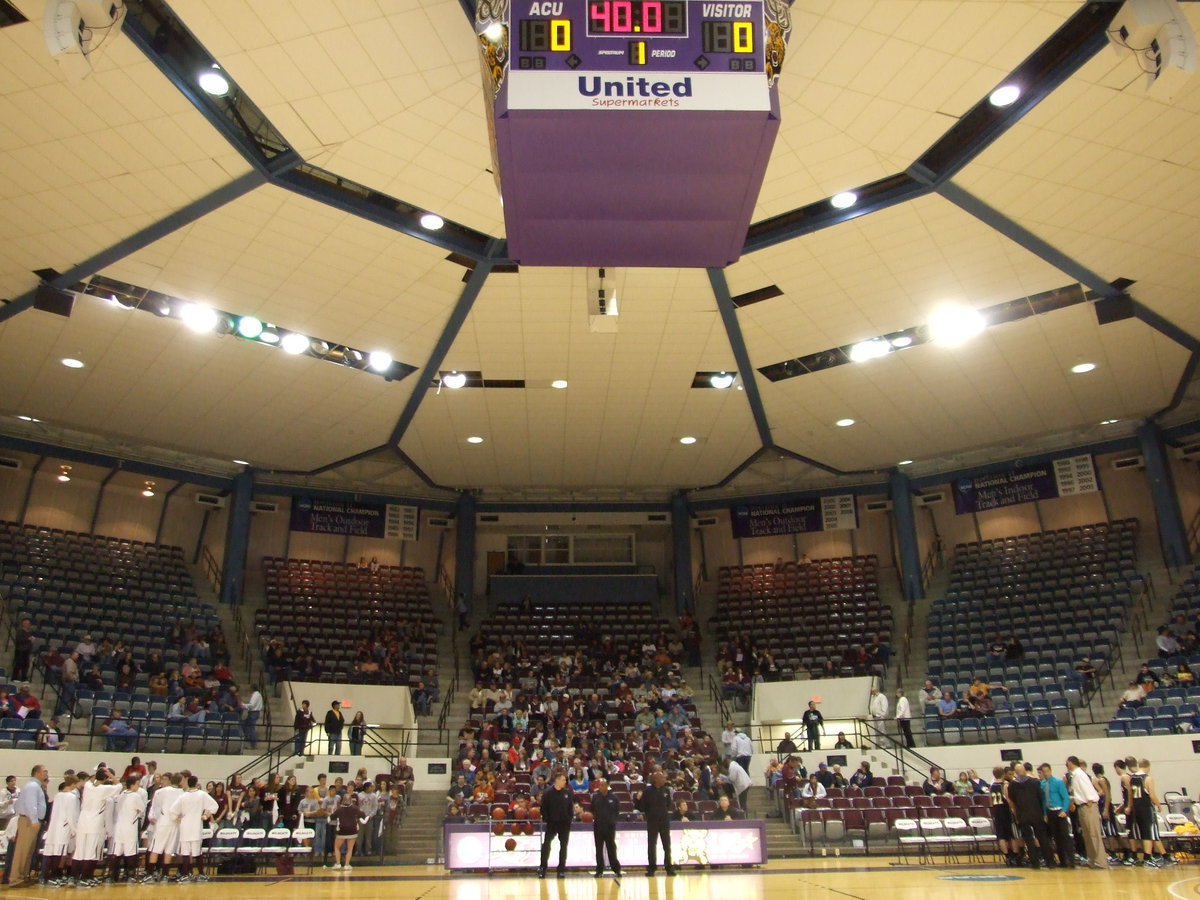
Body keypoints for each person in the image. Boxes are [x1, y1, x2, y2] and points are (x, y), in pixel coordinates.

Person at [71, 769, 122, 887]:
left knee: (79, 852)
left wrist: (100, 772)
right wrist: (111, 776)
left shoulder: (88, 786)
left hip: (82, 822)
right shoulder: (104, 789)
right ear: (106, 778)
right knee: (90, 852)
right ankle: (83, 878)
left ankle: (73, 878)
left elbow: (90, 779)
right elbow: (119, 786)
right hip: (94, 824)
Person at [169, 775, 218, 883]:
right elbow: (214, 806)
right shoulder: (202, 794)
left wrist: (177, 818)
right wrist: (205, 816)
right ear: (196, 783)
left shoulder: (183, 796)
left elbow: (172, 811)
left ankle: (186, 874)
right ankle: (201, 874)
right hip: (196, 826)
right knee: (197, 852)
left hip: (185, 826)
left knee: (185, 852)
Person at [1008, 763, 1055, 869]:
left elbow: (1012, 801)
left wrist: (1016, 815)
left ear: (1015, 773)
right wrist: (1043, 813)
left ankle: (1035, 863)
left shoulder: (1012, 785)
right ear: (1024, 771)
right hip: (1036, 813)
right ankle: (1050, 861)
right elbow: (1041, 797)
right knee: (1042, 838)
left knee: (1029, 840)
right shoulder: (1035, 782)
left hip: (1022, 815)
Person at [8, 764, 48, 885]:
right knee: (22, 850)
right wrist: (34, 820)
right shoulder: (32, 786)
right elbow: (31, 804)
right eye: (45, 771)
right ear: (38, 773)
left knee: (29, 850)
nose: (46, 774)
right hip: (28, 821)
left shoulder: (36, 786)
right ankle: (15, 878)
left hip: (31, 820)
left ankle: (23, 876)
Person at [142, 772, 184, 882]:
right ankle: (165, 875)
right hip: (175, 824)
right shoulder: (182, 793)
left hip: (163, 823)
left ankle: (150, 874)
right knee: (168, 850)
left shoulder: (160, 792)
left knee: (155, 849)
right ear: (180, 782)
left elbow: (156, 806)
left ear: (170, 780)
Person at [1065, 756, 1105, 868]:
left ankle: (1101, 861)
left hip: (1088, 805)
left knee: (1094, 835)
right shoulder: (1075, 775)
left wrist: (1089, 803)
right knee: (1087, 835)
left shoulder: (1080, 774)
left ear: (1070, 763)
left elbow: (1088, 790)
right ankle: (1092, 860)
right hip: (1081, 806)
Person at [41, 775, 80, 887]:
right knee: (59, 854)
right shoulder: (71, 797)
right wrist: (75, 830)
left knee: (51, 853)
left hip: (54, 827)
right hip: (63, 828)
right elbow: (71, 816)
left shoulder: (58, 795)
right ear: (72, 784)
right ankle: (53, 877)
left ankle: (46, 877)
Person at [635, 770, 675, 877]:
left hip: (664, 821)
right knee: (652, 845)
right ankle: (652, 868)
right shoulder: (647, 791)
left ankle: (669, 867)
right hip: (652, 821)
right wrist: (638, 800)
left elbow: (668, 804)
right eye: (662, 778)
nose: (664, 780)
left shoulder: (666, 790)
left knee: (667, 845)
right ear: (656, 780)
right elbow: (642, 807)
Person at [108, 775, 147, 883]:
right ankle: (131, 876)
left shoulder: (120, 795)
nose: (138, 786)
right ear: (133, 785)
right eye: (137, 784)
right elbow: (141, 809)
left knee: (117, 852)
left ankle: (113, 876)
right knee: (131, 852)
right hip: (130, 827)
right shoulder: (135, 796)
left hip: (119, 827)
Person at [538, 772, 573, 879]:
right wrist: (548, 819)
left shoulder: (567, 793)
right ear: (557, 780)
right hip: (552, 823)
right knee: (546, 845)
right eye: (563, 780)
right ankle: (543, 868)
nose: (565, 782)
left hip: (564, 824)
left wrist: (568, 819)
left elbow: (570, 808)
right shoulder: (548, 793)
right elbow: (543, 808)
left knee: (563, 846)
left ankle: (561, 869)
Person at [988, 767, 1021, 866]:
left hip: (996, 811)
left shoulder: (992, 786)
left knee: (1001, 836)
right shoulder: (1005, 785)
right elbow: (1009, 800)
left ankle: (1007, 856)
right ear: (1003, 774)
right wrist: (1014, 811)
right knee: (1011, 835)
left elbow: (990, 801)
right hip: (1005, 810)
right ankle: (1015, 856)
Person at [592, 779, 621, 878]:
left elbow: (617, 811)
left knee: (611, 848)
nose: (601, 787)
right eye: (600, 785)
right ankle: (599, 870)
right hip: (598, 827)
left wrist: (612, 821)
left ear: (607, 786)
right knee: (599, 849)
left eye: (603, 785)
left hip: (610, 828)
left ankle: (616, 869)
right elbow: (592, 810)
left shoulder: (614, 798)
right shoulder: (595, 797)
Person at [329, 793, 365, 870]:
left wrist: (332, 810)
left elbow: (332, 817)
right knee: (350, 848)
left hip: (342, 830)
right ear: (351, 800)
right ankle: (347, 865)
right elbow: (362, 814)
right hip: (352, 830)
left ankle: (338, 863)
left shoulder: (339, 809)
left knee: (337, 847)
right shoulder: (355, 808)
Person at [243, 684, 263, 749]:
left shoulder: (255, 695)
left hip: (253, 713)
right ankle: (249, 741)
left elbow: (252, 705)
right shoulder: (258, 694)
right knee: (246, 725)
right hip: (255, 712)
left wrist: (243, 705)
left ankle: (252, 744)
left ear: (252, 689)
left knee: (251, 728)